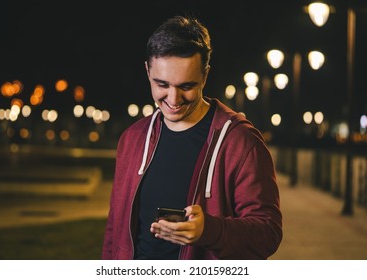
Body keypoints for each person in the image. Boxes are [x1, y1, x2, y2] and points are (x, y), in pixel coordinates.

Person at [102, 15, 282, 260]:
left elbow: (268, 233)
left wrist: (209, 231)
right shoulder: (132, 139)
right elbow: (115, 230)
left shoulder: (241, 141)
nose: (173, 100)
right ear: (147, 71)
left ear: (205, 75)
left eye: (186, 86)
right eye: (162, 84)